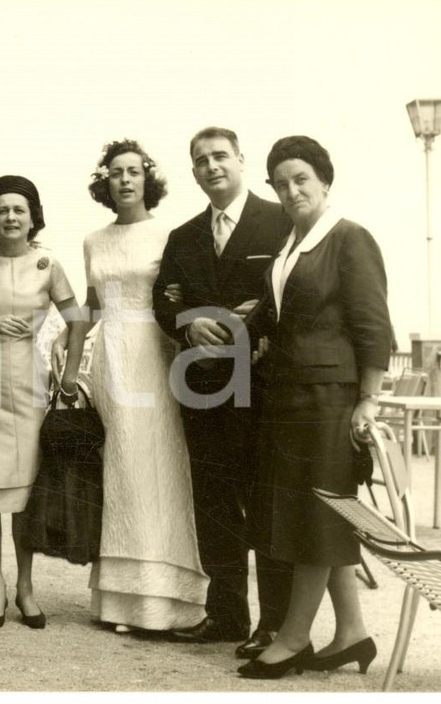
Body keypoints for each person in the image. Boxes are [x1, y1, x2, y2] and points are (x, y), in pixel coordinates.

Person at [237, 136, 391, 679]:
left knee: (316, 516)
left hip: (330, 400)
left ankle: (295, 637)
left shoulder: (348, 238)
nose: (291, 190)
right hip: (291, 398)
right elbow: (279, 314)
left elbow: (374, 326)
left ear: (325, 180)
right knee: (321, 516)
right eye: (281, 183)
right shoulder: (290, 247)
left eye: (301, 179)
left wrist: (367, 400)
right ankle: (352, 633)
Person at [53, 140, 209, 633]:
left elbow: (177, 298)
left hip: (153, 355)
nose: (124, 180)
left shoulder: (168, 235)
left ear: (147, 179)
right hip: (109, 360)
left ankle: (165, 602)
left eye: (134, 172)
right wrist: (69, 349)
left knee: (156, 466)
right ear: (106, 181)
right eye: (116, 172)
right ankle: (120, 602)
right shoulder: (93, 240)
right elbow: (93, 305)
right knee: (119, 466)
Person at [152, 127, 294, 657]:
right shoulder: (183, 236)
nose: (211, 166)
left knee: (263, 501)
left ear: (240, 160)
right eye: (201, 160)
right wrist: (188, 322)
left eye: (220, 157)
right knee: (212, 500)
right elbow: (162, 300)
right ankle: (227, 614)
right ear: (193, 172)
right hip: (203, 386)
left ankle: (275, 624)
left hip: (261, 383)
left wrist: (260, 324)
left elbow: (293, 290)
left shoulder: (280, 221)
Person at [0, 175, 86, 630]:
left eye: (19, 210)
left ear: (32, 218)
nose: (10, 217)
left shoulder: (48, 264)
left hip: (29, 382)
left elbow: (78, 319)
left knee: (25, 491)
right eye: (2, 210)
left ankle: (26, 588)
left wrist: (69, 374)